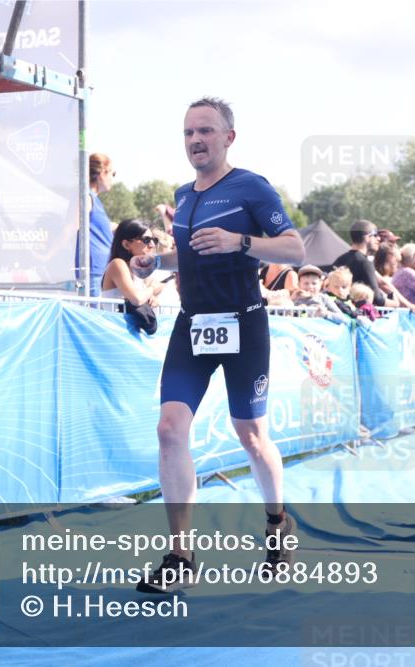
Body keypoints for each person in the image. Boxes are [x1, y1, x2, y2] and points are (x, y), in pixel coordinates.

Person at [138, 97, 305, 594]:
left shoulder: (250, 186)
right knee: (170, 429)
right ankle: (180, 554)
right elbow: (193, 255)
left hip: (245, 324)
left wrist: (242, 243)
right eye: (189, 132)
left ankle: (278, 524)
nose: (196, 140)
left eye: (206, 131)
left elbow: (295, 250)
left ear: (228, 137)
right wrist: (158, 264)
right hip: (193, 326)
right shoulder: (183, 195)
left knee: (251, 435)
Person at [101, 219, 165, 306]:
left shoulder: (138, 269)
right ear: (126, 245)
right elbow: (137, 299)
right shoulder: (117, 264)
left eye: (154, 240)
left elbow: (139, 299)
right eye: (146, 240)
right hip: (115, 320)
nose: (152, 245)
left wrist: (151, 299)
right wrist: (153, 288)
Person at [78, 153, 116, 297]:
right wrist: (48, 254)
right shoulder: (86, 197)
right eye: (113, 173)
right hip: (91, 273)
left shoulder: (93, 199)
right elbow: (72, 228)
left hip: (100, 272)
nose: (113, 178)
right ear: (102, 172)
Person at [333, 219, 392, 307]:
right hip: (358, 314)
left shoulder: (339, 259)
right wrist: (395, 303)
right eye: (375, 235)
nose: (379, 239)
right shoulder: (365, 262)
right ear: (367, 237)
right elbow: (376, 299)